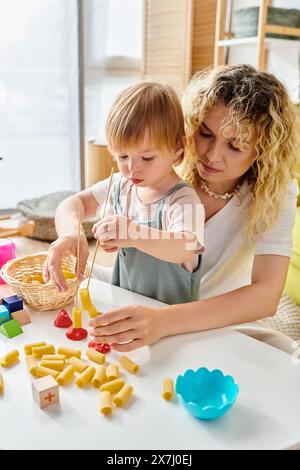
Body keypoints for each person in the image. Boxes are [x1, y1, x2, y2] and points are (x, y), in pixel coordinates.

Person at [87, 64, 299, 353]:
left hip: (216, 317)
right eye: (206, 134)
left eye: (235, 146)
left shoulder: (275, 191)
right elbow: (82, 202)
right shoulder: (164, 162)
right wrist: (70, 234)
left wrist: (165, 321)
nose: (211, 156)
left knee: (283, 358)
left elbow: (265, 296)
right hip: (147, 297)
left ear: (262, 151)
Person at [43, 82, 205, 305]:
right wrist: (71, 233)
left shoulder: (183, 200)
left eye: (147, 158)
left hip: (172, 323)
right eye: (122, 156)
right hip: (125, 308)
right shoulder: (121, 186)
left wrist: (134, 234)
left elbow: (186, 247)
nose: (132, 168)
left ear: (178, 148)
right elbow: (73, 203)